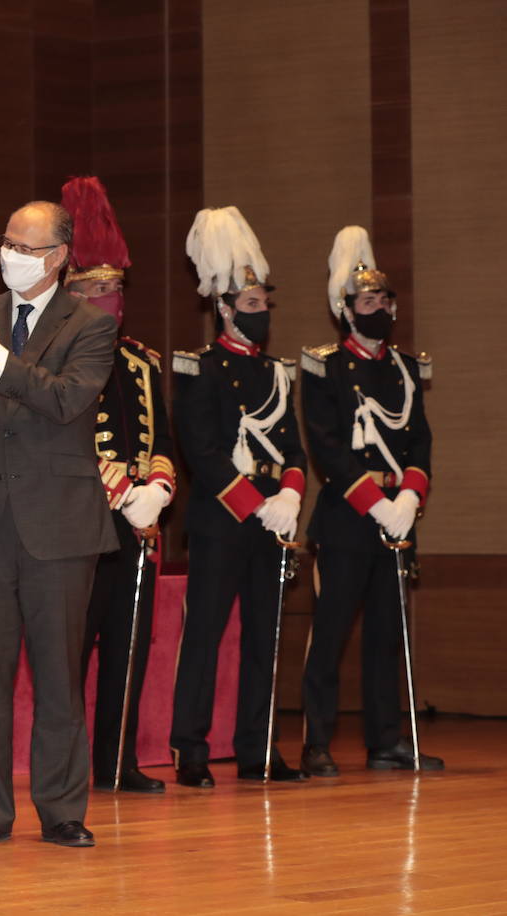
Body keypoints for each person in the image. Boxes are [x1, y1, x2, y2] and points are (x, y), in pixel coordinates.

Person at [0, 200, 116, 849]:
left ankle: (63, 809)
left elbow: (67, 399)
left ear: (60, 257)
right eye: (7, 241)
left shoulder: (90, 325)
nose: (12, 254)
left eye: (28, 247)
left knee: (59, 676)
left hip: (59, 525)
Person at [169, 206, 308, 788]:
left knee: (264, 637)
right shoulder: (197, 368)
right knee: (204, 635)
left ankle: (259, 750)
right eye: (250, 306)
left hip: (272, 521)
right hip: (223, 520)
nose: (261, 314)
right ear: (224, 308)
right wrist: (257, 502)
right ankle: (192, 750)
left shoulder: (278, 372)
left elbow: (294, 448)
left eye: (264, 306)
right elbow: (201, 451)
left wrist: (293, 497)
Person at [298, 226, 441, 776]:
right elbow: (328, 445)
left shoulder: (405, 367)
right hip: (346, 521)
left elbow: (421, 439)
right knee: (330, 635)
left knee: (389, 635)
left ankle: (387, 741)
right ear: (346, 309)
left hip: (397, 519)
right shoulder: (325, 364)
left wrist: (409, 494)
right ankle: (317, 742)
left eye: (383, 299)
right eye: (366, 300)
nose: (377, 307)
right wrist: (374, 502)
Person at [59, 177, 175, 795]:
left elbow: (162, 441)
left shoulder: (141, 361)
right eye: (93, 289)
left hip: (138, 523)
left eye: (114, 288)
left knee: (128, 648)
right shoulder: (58, 360)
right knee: (73, 651)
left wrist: (154, 487)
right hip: (82, 520)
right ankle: (70, 765)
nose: (107, 298)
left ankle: (118, 760)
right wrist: (117, 489)